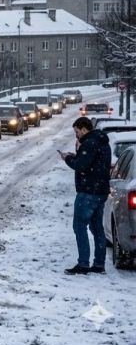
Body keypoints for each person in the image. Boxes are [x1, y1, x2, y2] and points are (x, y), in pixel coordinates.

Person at [58, 117, 111, 275]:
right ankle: (99, 264)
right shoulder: (102, 142)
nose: (76, 135)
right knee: (97, 228)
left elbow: (81, 166)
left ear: (84, 129)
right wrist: (75, 157)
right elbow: (90, 163)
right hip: (101, 191)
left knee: (79, 226)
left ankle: (83, 264)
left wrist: (67, 158)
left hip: (88, 191)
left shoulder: (90, 143)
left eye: (77, 132)